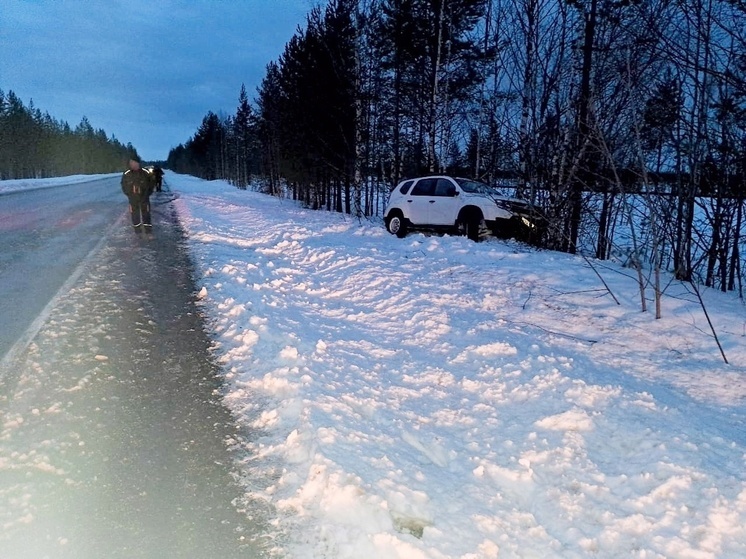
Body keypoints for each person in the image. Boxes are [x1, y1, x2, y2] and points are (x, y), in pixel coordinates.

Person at [121, 158, 154, 229]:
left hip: (144, 197)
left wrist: (148, 193)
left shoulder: (146, 172)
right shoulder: (127, 173)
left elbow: (151, 183)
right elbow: (123, 185)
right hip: (133, 198)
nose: (133, 164)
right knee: (134, 214)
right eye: (131, 163)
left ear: (138, 163)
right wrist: (129, 194)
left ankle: (148, 230)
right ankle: (137, 231)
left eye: (135, 162)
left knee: (146, 213)